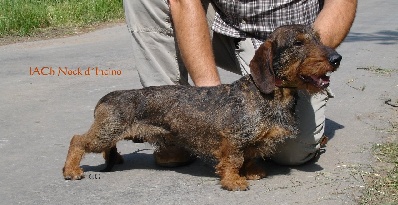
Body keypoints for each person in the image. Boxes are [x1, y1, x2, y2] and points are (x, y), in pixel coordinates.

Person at [123, 0, 357, 166]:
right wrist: (211, 102)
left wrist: (311, 59)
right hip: (219, 28)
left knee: (291, 153)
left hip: (288, 45)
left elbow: (342, 2)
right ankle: (170, 134)